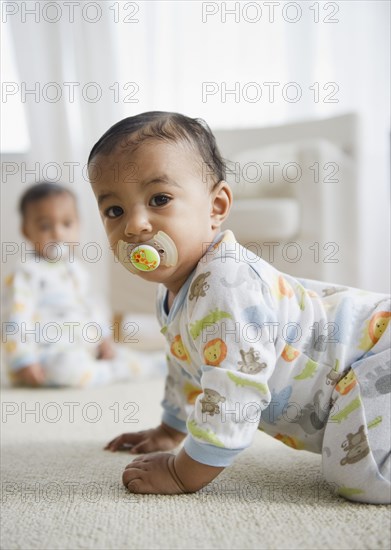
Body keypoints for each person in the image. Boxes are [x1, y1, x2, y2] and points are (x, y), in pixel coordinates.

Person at [87, 111, 390, 503]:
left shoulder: (226, 285)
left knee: (359, 475)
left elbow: (235, 392)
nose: (135, 225)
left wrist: (183, 473)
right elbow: (187, 362)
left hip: (375, 356)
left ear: (216, 207)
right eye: (115, 211)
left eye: (159, 199)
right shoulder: (175, 292)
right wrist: (170, 429)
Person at [3, 181, 161, 387]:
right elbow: (16, 319)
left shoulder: (76, 270)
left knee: (122, 354)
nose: (58, 234)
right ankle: (111, 372)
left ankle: (155, 364)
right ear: (26, 231)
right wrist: (23, 360)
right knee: (65, 368)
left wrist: (104, 339)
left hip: (86, 347)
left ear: (78, 225)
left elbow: (91, 307)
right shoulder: (25, 274)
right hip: (49, 354)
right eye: (45, 226)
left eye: (67, 224)